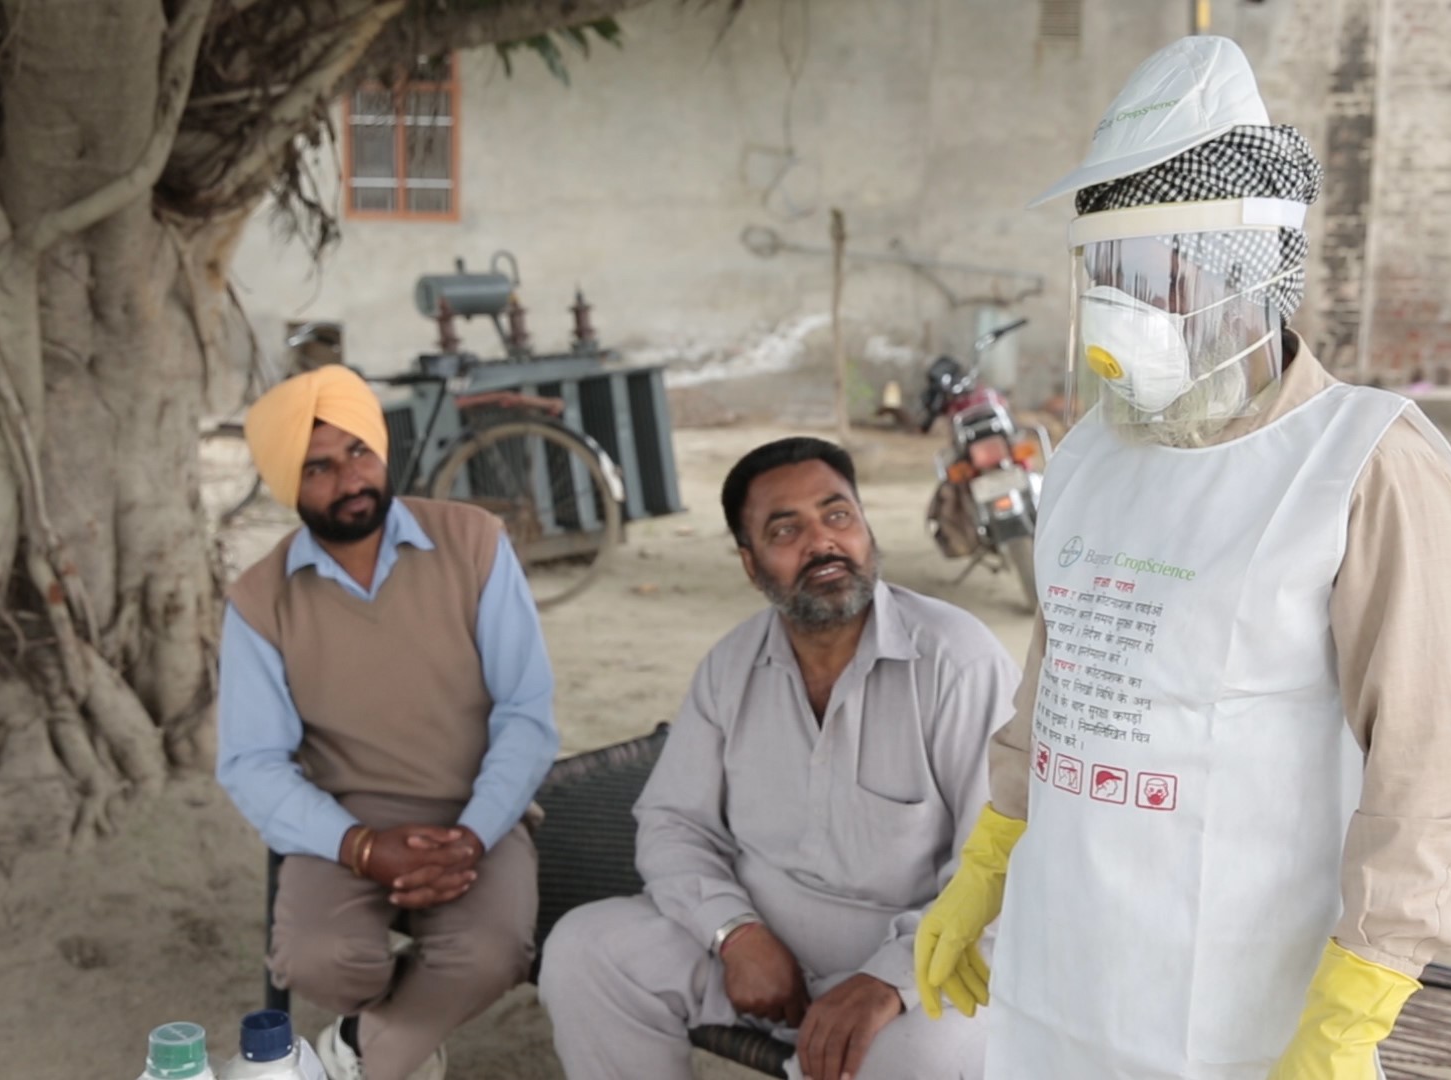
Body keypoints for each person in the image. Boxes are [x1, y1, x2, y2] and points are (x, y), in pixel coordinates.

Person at [913, 36, 1451, 1079]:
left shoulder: (1365, 465)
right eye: (1110, 274)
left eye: (1155, 273)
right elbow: (1062, 676)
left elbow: (1424, 764)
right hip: (1064, 965)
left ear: (1245, 267)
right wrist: (990, 851)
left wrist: (1358, 1001)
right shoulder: (1090, 454)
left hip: (1242, 995)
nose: (1127, 308)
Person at [540, 437, 1018, 1080]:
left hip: (909, 978)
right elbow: (671, 824)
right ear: (750, 562)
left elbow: (1000, 864)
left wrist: (888, 982)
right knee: (584, 949)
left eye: (838, 515)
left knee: (930, 1057)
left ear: (866, 528)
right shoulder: (729, 668)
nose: (822, 542)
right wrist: (733, 933)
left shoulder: (958, 661)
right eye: (785, 528)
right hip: (754, 964)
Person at [215, 365, 558, 1080]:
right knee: (321, 961)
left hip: (479, 810)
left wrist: (471, 836)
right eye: (318, 467)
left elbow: (525, 714)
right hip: (345, 820)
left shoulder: (474, 542)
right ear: (288, 484)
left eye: (359, 453)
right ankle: (381, 1024)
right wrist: (363, 847)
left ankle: (357, 1053)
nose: (349, 480)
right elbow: (251, 761)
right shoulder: (259, 600)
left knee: (492, 952)